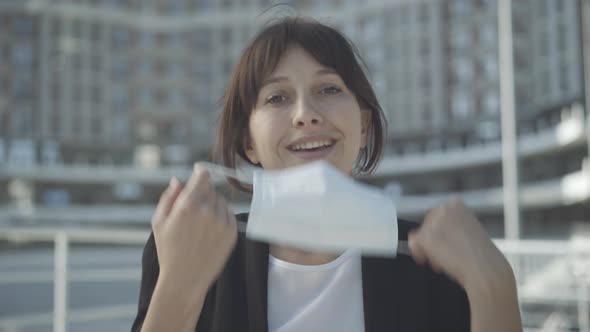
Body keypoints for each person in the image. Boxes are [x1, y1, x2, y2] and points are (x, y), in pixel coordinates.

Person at [131, 16, 522, 332]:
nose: (306, 113)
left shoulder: (437, 262)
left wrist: (495, 289)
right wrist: (178, 289)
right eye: (277, 97)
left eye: (330, 89)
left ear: (364, 125)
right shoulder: (187, 249)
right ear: (248, 143)